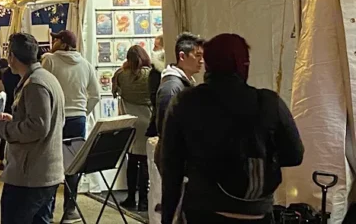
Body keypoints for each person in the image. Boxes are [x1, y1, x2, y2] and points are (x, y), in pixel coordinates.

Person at [161, 34, 304, 224]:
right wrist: (260, 159)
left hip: (203, 209)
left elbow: (171, 167)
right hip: (257, 211)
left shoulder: (185, 102)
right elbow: (295, 155)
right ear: (242, 62)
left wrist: (167, 217)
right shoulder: (269, 102)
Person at [0, 33, 65, 224]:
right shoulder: (46, 78)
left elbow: (38, 127)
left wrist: (2, 128)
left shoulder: (35, 84)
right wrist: (14, 120)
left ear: (12, 56)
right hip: (41, 172)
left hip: (30, 175)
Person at [41, 29, 98, 223]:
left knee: (51, 163)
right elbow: (96, 95)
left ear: (63, 43)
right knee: (72, 166)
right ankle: (70, 210)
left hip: (57, 118)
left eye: (55, 39)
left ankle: (47, 211)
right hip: (78, 120)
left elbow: (43, 87)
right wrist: (83, 111)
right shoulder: (86, 65)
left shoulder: (49, 60)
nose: (53, 41)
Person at [112, 45, 153, 211]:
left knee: (132, 160)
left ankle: (130, 197)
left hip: (130, 120)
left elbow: (115, 92)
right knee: (145, 162)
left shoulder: (121, 75)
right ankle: (144, 200)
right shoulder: (151, 75)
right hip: (148, 119)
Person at [154, 32, 204, 138]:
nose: (201, 61)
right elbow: (165, 127)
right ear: (182, 56)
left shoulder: (184, 82)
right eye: (197, 56)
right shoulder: (171, 87)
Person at [0, 57, 18, 171]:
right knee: (12, 133)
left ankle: (0, 159)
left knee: (3, 134)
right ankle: (8, 159)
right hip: (14, 105)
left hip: (5, 105)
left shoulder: (4, 76)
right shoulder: (17, 74)